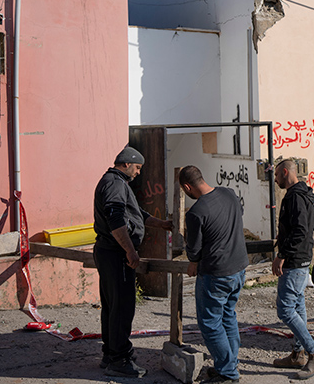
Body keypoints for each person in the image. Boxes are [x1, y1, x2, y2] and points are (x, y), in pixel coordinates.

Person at [93, 146, 173, 378]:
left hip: (109, 252)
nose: (138, 173)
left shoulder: (115, 183)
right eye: (137, 168)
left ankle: (111, 353)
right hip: (115, 253)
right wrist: (129, 250)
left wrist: (162, 224)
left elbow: (136, 213)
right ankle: (118, 359)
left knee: (112, 305)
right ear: (126, 164)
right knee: (122, 306)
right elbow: (116, 219)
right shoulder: (115, 184)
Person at [180, 166, 249, 384]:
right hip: (239, 268)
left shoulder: (196, 213)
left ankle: (228, 373)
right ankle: (229, 364)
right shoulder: (229, 193)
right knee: (228, 315)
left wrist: (192, 261)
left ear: (187, 187)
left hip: (216, 273)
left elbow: (194, 249)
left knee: (210, 322)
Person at [272, 159, 314, 380]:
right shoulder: (305, 194)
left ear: (285, 173)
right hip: (302, 258)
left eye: (276, 175)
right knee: (298, 305)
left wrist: (283, 254)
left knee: (285, 310)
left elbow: (302, 228)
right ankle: (297, 353)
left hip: (294, 262)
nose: (275, 179)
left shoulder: (294, 196)